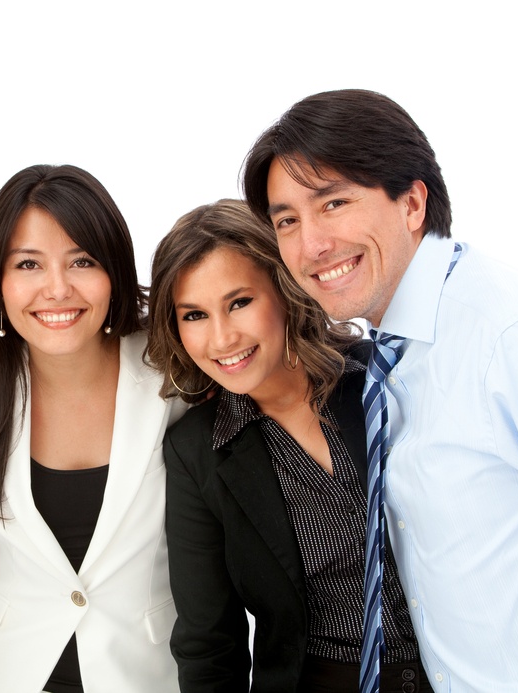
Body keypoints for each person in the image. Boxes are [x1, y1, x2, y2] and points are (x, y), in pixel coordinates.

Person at [243, 89, 518, 691]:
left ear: (413, 203)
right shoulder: (384, 356)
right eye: (287, 221)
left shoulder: (508, 334)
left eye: (335, 203)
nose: (311, 245)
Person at [147, 199, 430, 692]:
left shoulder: (385, 377)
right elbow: (210, 644)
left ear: (283, 289)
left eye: (239, 302)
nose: (221, 338)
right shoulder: (197, 451)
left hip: (460, 673)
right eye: (194, 315)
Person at [0, 164, 183, 692]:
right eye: (28, 263)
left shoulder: (175, 378)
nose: (57, 288)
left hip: (141, 671)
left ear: (113, 269)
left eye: (82, 261)